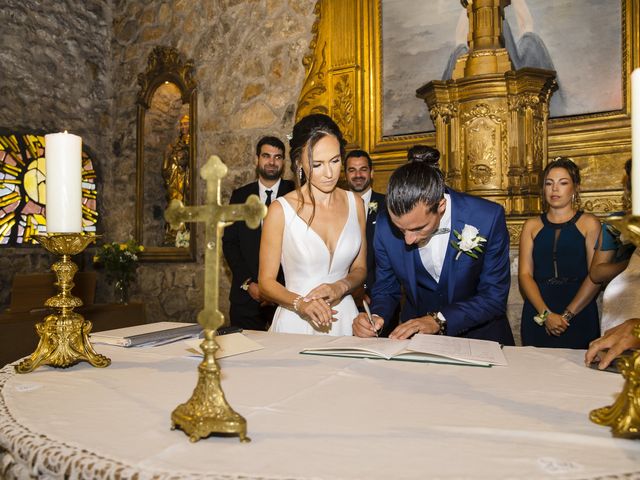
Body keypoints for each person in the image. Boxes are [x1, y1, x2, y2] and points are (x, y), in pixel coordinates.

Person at [352, 146, 514, 345]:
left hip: (481, 338)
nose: (408, 240)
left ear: (441, 206)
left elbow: (494, 297)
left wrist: (439, 320)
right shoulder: (385, 224)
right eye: (401, 230)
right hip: (418, 342)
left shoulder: (486, 217)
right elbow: (386, 288)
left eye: (418, 228)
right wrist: (375, 317)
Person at [259, 114, 366, 335]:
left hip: (345, 319)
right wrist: (301, 303)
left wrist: (341, 286)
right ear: (299, 163)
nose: (329, 173)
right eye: (317, 164)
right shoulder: (280, 211)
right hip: (296, 321)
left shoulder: (355, 203)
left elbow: (360, 269)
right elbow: (266, 282)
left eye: (335, 161)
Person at [519, 157, 601, 348]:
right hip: (538, 309)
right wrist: (546, 314)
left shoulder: (589, 223)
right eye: (549, 183)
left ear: (575, 188)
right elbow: (525, 275)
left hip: (579, 311)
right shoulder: (531, 225)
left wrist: (566, 315)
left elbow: (595, 275)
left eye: (563, 183)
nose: (555, 189)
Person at [222, 136, 295, 331]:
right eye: (266, 156)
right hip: (246, 299)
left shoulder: (296, 194)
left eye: (278, 157)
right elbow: (230, 244)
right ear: (257, 159)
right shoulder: (240, 196)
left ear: (284, 162)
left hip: (287, 297)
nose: (272, 162)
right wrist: (249, 284)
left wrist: (275, 290)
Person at [344, 149, 386, 301]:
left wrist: (369, 292)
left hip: (380, 296)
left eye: (363, 169)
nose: (358, 175)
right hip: (342, 294)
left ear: (371, 173)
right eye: (352, 170)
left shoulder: (387, 206)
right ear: (345, 174)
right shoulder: (334, 206)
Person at [163, 114, 191, 245]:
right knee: (173, 202)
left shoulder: (191, 142)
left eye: (186, 124)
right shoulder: (174, 143)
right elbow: (167, 161)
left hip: (185, 178)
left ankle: (183, 232)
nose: (183, 126)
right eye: (182, 124)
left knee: (183, 202)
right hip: (174, 177)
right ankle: (172, 232)